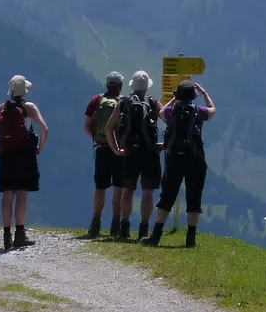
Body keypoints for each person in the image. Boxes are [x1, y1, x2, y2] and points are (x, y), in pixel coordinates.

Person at [143, 80, 215, 248]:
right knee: (194, 196)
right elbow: (212, 110)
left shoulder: (171, 111)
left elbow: (160, 111)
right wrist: (204, 94)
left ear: (179, 95)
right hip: (196, 158)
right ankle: (190, 239)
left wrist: (173, 98)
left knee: (167, 195)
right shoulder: (198, 112)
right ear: (192, 96)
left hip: (174, 158)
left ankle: (156, 236)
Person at [0, 75, 49, 251]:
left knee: (7, 195)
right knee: (22, 194)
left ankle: (6, 235)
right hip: (25, 154)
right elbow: (44, 129)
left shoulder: (3, 107)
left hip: (6, 154)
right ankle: (20, 235)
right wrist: (39, 147)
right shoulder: (28, 107)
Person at [107, 70, 163, 241]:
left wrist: (116, 149)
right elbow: (171, 120)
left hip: (129, 152)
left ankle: (124, 227)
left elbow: (109, 127)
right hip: (150, 152)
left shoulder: (124, 102)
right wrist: (163, 144)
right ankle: (144, 229)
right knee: (147, 192)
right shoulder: (153, 103)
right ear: (147, 87)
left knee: (128, 191)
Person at [83, 71, 126, 239]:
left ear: (107, 85)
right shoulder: (124, 102)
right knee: (118, 188)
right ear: (120, 86)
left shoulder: (96, 100)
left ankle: (95, 224)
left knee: (100, 187)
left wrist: (99, 139)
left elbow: (87, 127)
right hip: (120, 150)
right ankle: (116, 226)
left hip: (101, 148)